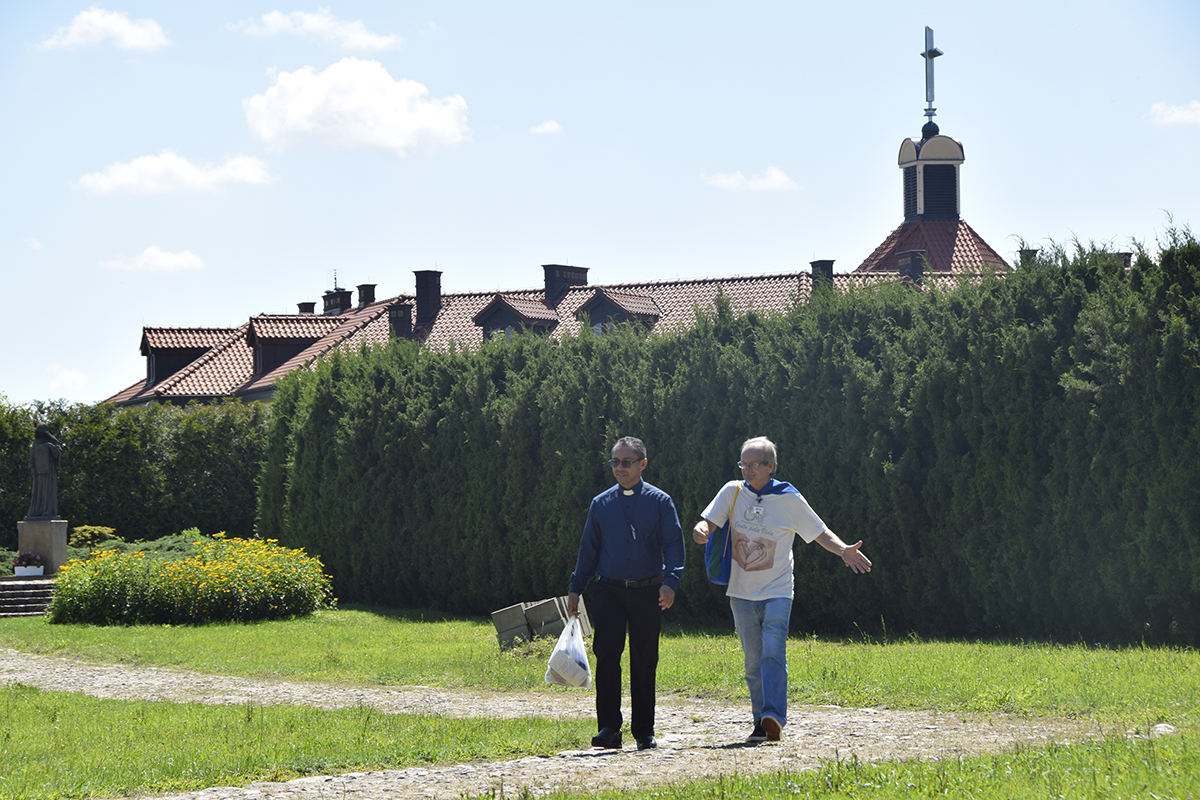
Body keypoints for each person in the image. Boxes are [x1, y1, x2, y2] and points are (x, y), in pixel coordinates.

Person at [691, 436, 872, 743]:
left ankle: (774, 716)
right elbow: (709, 522)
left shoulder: (789, 498)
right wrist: (702, 529)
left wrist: (843, 550)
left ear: (770, 466)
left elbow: (819, 532)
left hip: (777, 591)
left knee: (773, 651)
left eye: (754, 464)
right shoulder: (732, 491)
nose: (747, 469)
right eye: (743, 464)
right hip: (741, 592)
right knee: (753, 661)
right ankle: (760, 722)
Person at [567, 436, 685, 751]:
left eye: (627, 462)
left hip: (649, 591)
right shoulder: (601, 503)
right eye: (615, 462)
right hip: (609, 590)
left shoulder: (660, 501)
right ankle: (609, 728)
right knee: (607, 656)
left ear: (642, 464)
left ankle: (644, 731)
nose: (620, 468)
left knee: (645, 659)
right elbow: (588, 550)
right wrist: (576, 588)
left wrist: (671, 581)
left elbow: (674, 544)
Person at [26, 424, 64, 520]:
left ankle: (47, 511)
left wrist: (52, 447)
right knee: (37, 492)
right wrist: (31, 467)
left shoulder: (53, 441)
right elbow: (32, 457)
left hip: (49, 471)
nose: (41, 435)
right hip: (38, 473)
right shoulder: (36, 442)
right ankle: (36, 511)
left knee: (48, 492)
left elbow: (57, 455)